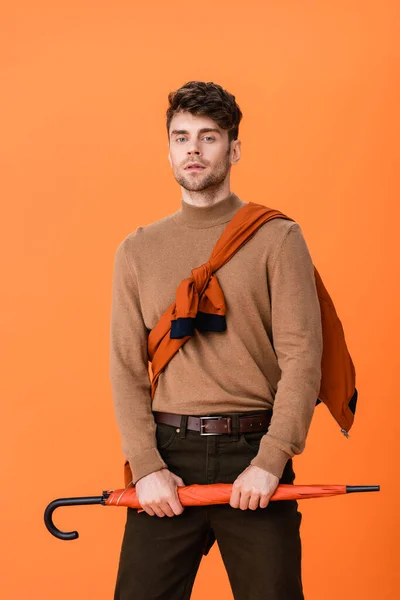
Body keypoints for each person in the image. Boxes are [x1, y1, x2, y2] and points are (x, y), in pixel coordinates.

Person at [109, 80, 323, 600]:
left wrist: (271, 461)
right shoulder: (137, 250)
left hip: (253, 452)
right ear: (169, 149)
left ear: (234, 148)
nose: (194, 150)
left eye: (208, 137)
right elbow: (126, 367)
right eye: (181, 138)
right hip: (167, 459)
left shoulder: (279, 238)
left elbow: (303, 359)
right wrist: (146, 467)